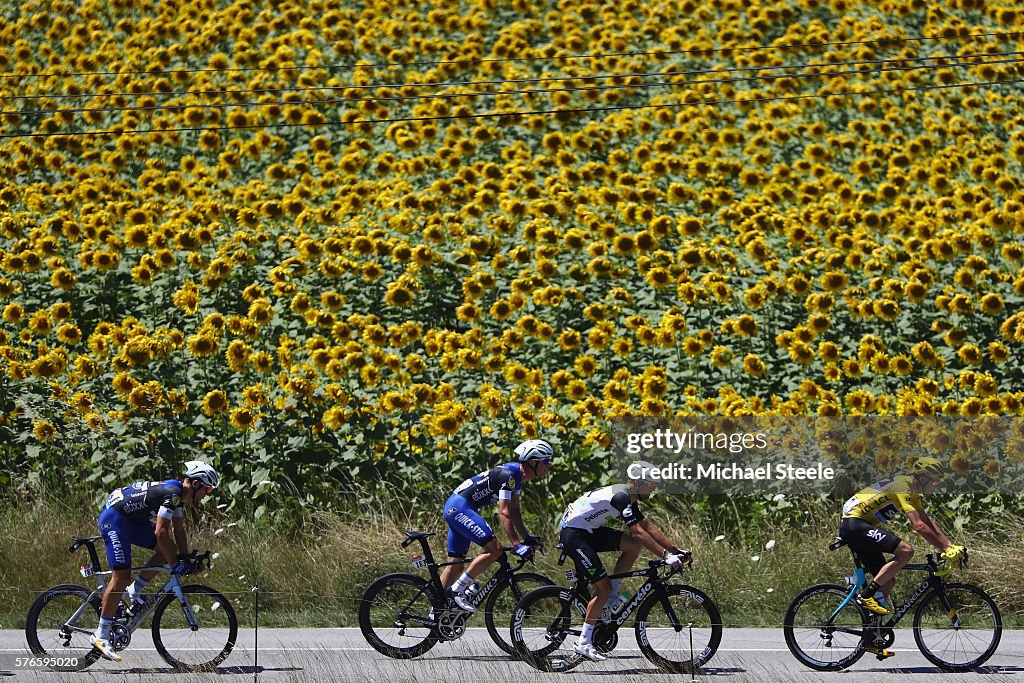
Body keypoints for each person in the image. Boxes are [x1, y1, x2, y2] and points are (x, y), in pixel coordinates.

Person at [558, 460, 690, 662]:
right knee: (603, 588)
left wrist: (674, 549)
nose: (653, 489)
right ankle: (583, 643)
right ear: (638, 482)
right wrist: (664, 556)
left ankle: (610, 598)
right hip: (575, 535)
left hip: (586, 530)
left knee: (632, 547)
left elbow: (646, 525)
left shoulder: (627, 495)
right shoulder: (621, 496)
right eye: (651, 485)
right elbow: (637, 531)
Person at [90, 461, 219, 661]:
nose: (207, 494)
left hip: (131, 520)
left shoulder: (179, 496)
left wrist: (184, 558)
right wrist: (176, 565)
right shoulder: (174, 494)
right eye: (208, 489)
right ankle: (101, 634)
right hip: (114, 520)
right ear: (195, 484)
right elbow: (160, 532)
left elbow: (178, 529)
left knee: (168, 551)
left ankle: (135, 590)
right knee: (121, 576)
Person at [839, 456, 964, 624]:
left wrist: (949, 546)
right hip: (854, 524)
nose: (937, 485)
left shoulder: (910, 489)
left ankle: (873, 634)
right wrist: (945, 549)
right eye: (935, 481)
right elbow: (919, 526)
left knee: (887, 581)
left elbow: (927, 521)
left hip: (859, 526)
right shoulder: (902, 487)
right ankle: (866, 596)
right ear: (923, 478)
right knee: (906, 551)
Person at [440, 439, 553, 612]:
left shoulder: (517, 476)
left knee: (455, 565)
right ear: (532, 461)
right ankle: (457, 590)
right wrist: (516, 544)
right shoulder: (509, 475)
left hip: (456, 507)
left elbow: (515, 511)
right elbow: (504, 512)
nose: (548, 465)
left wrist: (526, 538)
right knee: (495, 549)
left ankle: (435, 611)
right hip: (460, 508)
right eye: (545, 461)